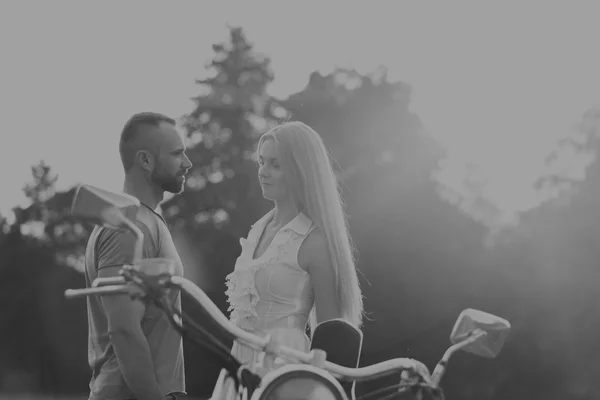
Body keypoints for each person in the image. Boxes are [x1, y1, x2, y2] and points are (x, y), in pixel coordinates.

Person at [225, 121, 364, 371]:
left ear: (301, 170)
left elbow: (330, 334)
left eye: (276, 164)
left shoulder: (315, 241)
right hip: (240, 360)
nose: (263, 171)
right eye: (261, 161)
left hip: (285, 365)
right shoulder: (257, 229)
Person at [84, 112, 192, 400]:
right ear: (145, 160)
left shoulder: (145, 221)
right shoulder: (128, 229)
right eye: (177, 153)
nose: (187, 163)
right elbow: (124, 331)